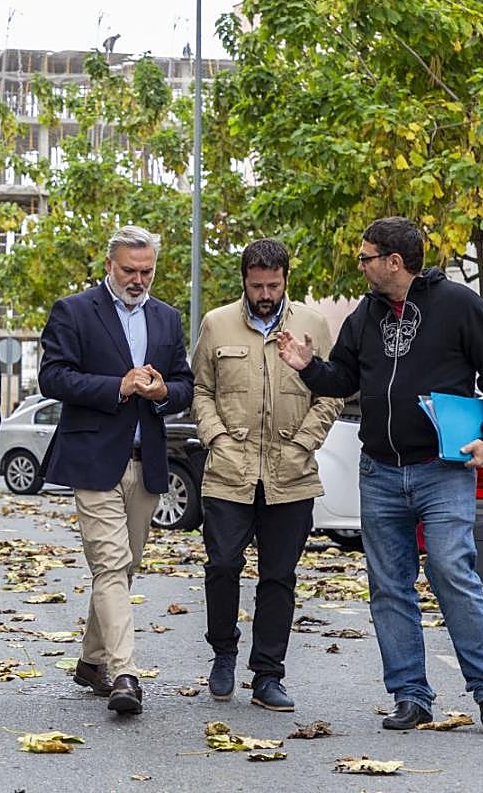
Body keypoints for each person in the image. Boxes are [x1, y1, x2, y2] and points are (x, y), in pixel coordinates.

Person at [276, 216, 483, 734]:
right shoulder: (364, 315)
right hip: (380, 470)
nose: (361, 266)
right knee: (389, 587)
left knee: (452, 571)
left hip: (442, 469)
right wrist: (308, 366)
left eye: (366, 257)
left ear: (394, 261)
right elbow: (342, 378)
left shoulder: (459, 305)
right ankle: (411, 696)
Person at [38, 225, 194, 716]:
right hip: (93, 459)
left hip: (147, 463)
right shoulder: (74, 311)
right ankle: (125, 673)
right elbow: (52, 377)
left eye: (147, 271)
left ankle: (91, 661)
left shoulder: (166, 318)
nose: (138, 280)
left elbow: (185, 384)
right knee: (109, 564)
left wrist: (162, 392)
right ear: (109, 265)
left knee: (124, 567)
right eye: (129, 270)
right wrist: (117, 387)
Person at [191, 238, 341, 711]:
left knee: (279, 576)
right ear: (244, 281)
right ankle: (223, 653)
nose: (265, 295)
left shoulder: (312, 325)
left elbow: (331, 393)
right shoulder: (216, 323)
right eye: (257, 286)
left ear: (285, 280)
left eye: (273, 286)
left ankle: (268, 675)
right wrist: (216, 437)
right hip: (228, 471)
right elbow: (201, 390)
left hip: (291, 474)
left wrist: (303, 443)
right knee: (221, 566)